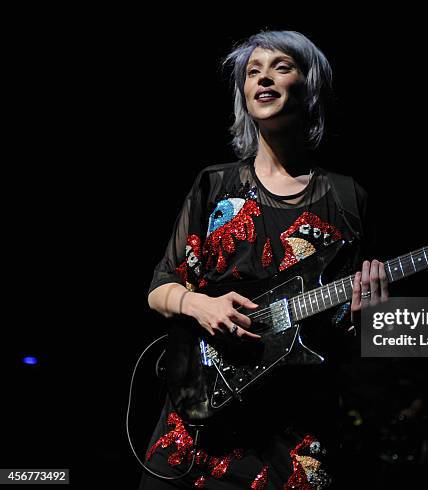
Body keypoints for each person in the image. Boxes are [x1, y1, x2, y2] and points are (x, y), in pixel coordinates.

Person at [139, 30, 389, 489]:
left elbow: (352, 339)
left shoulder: (348, 199)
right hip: (198, 426)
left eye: (281, 67)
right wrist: (201, 304)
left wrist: (368, 319)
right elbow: (160, 289)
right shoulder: (214, 187)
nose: (263, 79)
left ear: (309, 86)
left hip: (293, 438)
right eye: (253, 72)